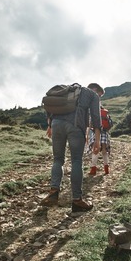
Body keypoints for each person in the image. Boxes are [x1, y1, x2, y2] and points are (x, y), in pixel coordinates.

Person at [40, 83, 103, 212]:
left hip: (56, 124)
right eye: (100, 95)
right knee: (76, 161)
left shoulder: (68, 90)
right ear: (96, 90)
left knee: (58, 160)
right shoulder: (92, 95)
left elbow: (51, 104)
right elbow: (96, 118)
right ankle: (77, 200)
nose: (99, 97)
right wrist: (97, 141)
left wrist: (50, 125)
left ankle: (53, 193)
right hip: (75, 126)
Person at [88, 89, 111, 175]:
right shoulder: (105, 112)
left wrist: (87, 134)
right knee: (104, 151)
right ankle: (106, 168)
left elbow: (90, 124)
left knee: (95, 150)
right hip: (104, 132)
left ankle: (93, 169)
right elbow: (109, 124)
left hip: (95, 132)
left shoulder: (93, 112)